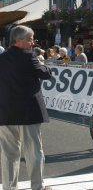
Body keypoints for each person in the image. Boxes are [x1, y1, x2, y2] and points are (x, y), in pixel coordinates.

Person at [0, 25, 52, 190]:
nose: (32, 43)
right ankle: (37, 186)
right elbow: (46, 74)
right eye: (29, 39)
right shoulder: (29, 57)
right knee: (33, 152)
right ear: (17, 40)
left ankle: (9, 187)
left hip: (5, 112)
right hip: (28, 112)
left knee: (8, 154)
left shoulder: (1, 58)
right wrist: (40, 62)